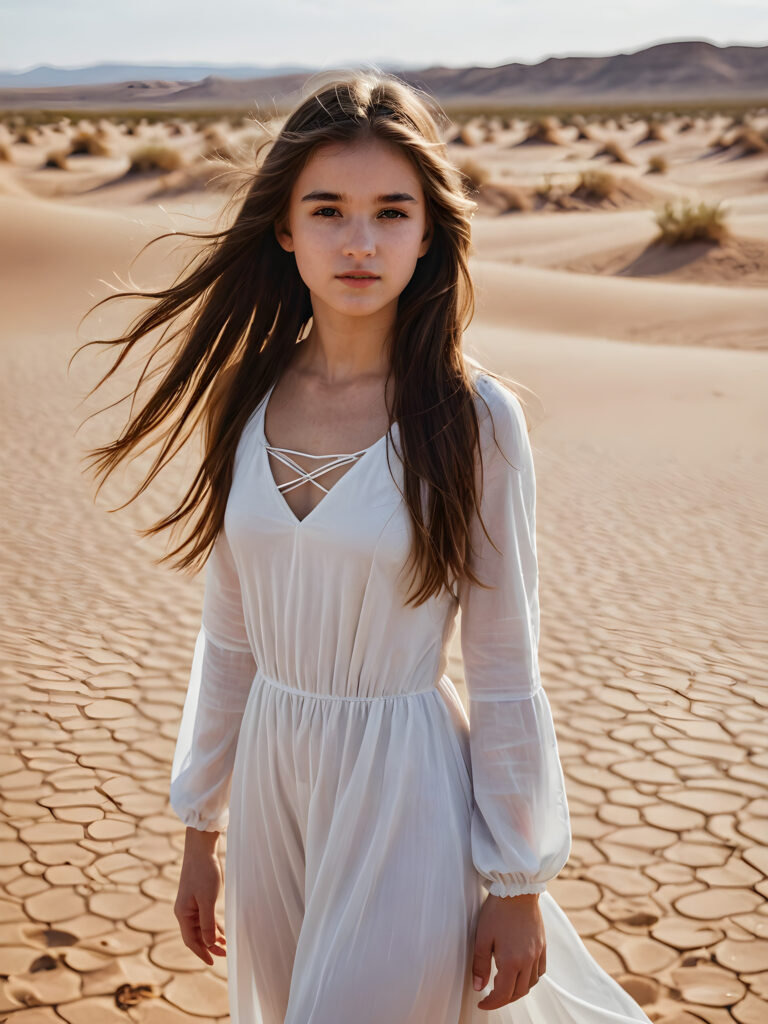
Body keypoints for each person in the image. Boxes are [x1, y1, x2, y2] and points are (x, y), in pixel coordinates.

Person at [79, 71, 652, 1023]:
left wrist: (517, 881)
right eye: (328, 211)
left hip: (405, 786)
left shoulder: (475, 419)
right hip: (273, 785)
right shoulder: (244, 398)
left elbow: (504, 661)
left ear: (428, 232)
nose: (359, 242)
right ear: (284, 227)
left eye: (391, 212)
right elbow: (230, 637)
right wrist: (200, 828)